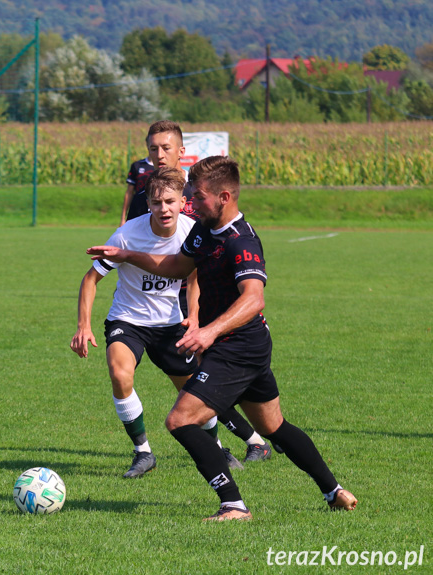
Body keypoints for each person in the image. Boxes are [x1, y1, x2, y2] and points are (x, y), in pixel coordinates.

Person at [87, 156, 356, 521]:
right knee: (273, 427)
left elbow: (253, 298)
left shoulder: (240, 241)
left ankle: (233, 504)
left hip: (239, 347)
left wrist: (208, 330)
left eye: (197, 197)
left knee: (180, 421)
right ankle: (334, 490)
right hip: (241, 346)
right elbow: (177, 267)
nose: (191, 204)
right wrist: (126, 254)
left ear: (225, 197)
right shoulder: (203, 230)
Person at [72, 167, 239, 477]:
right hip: (127, 320)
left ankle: (215, 449)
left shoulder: (193, 231)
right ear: (147, 203)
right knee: (120, 374)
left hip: (170, 325)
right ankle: (143, 453)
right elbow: (91, 278)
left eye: (170, 201)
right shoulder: (127, 234)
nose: (163, 208)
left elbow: (195, 273)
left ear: (181, 203)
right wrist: (84, 325)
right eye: (156, 202)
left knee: (194, 394)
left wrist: (194, 316)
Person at [124, 122, 273, 463]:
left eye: (165, 148)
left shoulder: (200, 193)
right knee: (198, 383)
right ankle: (248, 442)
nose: (159, 155)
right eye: (153, 149)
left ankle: (251, 442)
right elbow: (142, 241)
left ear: (181, 151)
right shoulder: (149, 195)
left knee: (203, 382)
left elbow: (205, 257)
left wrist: (196, 311)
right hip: (162, 303)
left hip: (201, 303)